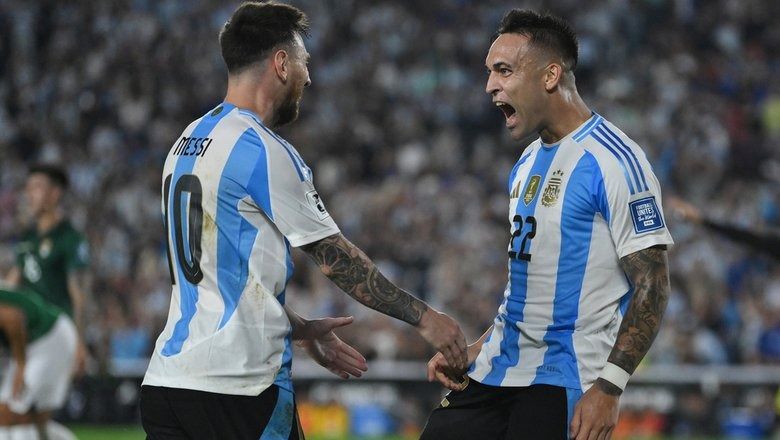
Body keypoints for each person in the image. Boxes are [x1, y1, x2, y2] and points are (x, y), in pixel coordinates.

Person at [139, 2, 467, 439]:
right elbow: (336, 259)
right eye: (303, 62)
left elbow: (219, 278)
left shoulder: (185, 142)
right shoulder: (261, 148)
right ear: (281, 63)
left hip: (167, 384)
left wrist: (301, 328)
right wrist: (426, 318)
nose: (308, 77)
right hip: (238, 388)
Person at [421, 10, 674, 440]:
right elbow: (529, 289)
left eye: (504, 70)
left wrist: (610, 387)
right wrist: (478, 347)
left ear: (550, 75)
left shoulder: (615, 161)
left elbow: (653, 284)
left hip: (563, 379)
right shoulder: (526, 163)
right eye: (489, 72)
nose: (490, 86)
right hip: (496, 370)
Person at [5, 164, 90, 375]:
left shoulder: (70, 238)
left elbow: (79, 295)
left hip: (57, 335)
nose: (29, 194)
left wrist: (79, 341)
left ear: (54, 194)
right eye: (28, 188)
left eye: (37, 187)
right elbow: (12, 284)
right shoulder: (27, 237)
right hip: (32, 337)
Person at [0, 286, 78, 440]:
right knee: (15, 416)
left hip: (50, 337)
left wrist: (21, 366)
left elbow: (13, 319)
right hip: (32, 344)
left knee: (16, 414)